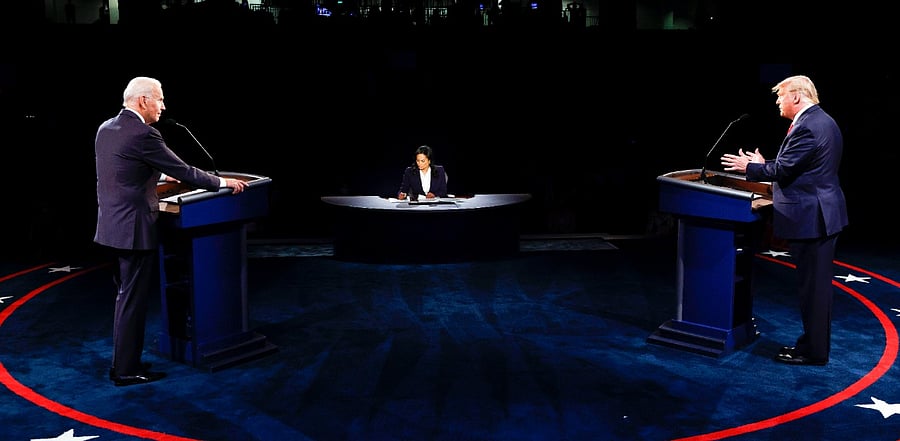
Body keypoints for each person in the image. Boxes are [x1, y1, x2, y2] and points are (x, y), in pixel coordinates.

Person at [94, 76, 248, 386]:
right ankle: (126, 371)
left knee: (125, 298)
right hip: (134, 229)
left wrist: (156, 174)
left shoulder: (106, 128)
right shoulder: (143, 133)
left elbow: (125, 168)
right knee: (132, 301)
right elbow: (184, 170)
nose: (164, 105)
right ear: (143, 101)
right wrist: (221, 183)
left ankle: (122, 364)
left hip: (112, 227)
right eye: (160, 99)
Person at [720, 75, 848, 366]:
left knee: (813, 290)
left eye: (780, 96)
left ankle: (814, 352)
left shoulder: (810, 127)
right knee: (813, 289)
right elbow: (798, 168)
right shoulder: (820, 121)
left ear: (796, 97)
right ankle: (810, 344)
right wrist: (765, 165)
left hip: (814, 218)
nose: (778, 102)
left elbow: (786, 168)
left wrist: (751, 167)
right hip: (821, 214)